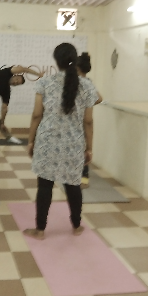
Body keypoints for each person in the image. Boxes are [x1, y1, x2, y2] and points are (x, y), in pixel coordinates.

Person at [24, 43, 96, 240]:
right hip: (74, 144)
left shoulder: (45, 83)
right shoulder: (87, 86)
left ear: (56, 61)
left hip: (47, 142)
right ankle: (77, 226)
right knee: (73, 185)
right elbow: (88, 121)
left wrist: (30, 141)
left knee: (44, 186)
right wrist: (89, 148)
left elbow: (36, 115)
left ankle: (40, 230)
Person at [76, 52, 103, 189]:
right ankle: (84, 178)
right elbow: (99, 98)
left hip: (75, 121)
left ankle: (75, 176)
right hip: (85, 120)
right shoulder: (89, 82)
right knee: (85, 149)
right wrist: (87, 105)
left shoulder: (75, 82)